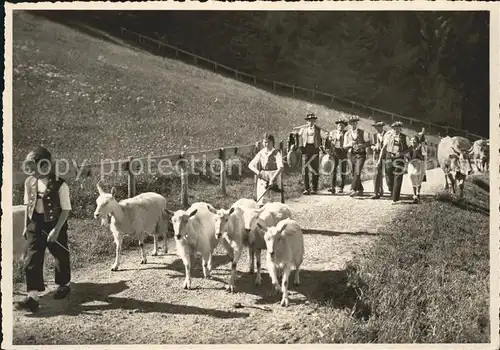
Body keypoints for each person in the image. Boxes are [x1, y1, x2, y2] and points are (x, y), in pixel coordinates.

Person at [14, 146, 72, 313]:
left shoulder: (60, 185)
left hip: (55, 223)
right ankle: (32, 296)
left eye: (35, 167)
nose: (31, 172)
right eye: (30, 168)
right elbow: (28, 205)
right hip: (35, 223)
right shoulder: (29, 182)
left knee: (59, 252)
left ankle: (64, 284)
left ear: (45, 166)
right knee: (33, 256)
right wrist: (27, 225)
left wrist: (56, 230)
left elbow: (66, 210)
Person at [293, 113, 328, 195]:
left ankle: (314, 188)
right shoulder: (303, 129)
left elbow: (324, 137)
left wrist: (327, 136)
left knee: (315, 169)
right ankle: (306, 188)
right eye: (309, 120)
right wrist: (295, 133)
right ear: (307, 121)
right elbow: (298, 136)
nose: (311, 122)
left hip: (315, 149)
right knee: (304, 169)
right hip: (305, 149)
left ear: (315, 121)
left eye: (313, 120)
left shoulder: (318, 129)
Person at [377, 121, 409, 204]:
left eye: (398, 128)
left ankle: (395, 198)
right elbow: (384, 148)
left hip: (399, 158)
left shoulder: (405, 137)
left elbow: (410, 147)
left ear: (400, 129)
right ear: (393, 129)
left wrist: (402, 153)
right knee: (388, 175)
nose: (396, 130)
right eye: (395, 128)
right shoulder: (388, 136)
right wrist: (379, 160)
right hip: (389, 156)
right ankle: (391, 189)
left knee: (398, 176)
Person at [248, 133, 284, 205]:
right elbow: (250, 165)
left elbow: (281, 167)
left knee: (275, 203)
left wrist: (272, 179)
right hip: (263, 177)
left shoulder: (276, 153)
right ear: (262, 142)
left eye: (269, 142)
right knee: (262, 202)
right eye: (265, 142)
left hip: (274, 176)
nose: (266, 144)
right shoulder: (261, 152)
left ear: (272, 142)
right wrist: (257, 172)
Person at [343, 115, 370, 197]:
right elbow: (344, 146)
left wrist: (361, 145)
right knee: (353, 172)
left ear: (356, 123)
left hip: (361, 154)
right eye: (351, 123)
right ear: (349, 124)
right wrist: (350, 144)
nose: (353, 124)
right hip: (351, 154)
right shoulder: (347, 134)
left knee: (357, 171)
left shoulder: (363, 132)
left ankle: (353, 189)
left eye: (354, 122)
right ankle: (360, 190)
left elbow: (369, 143)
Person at [324, 118, 348, 194]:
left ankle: (341, 187)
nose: (340, 126)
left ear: (344, 126)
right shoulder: (332, 133)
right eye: (339, 125)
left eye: (342, 125)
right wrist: (327, 149)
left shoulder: (346, 133)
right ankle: (332, 187)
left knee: (342, 170)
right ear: (337, 126)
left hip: (343, 152)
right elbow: (327, 142)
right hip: (334, 152)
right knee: (333, 170)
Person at [405, 136, 427, 203]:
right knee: (412, 177)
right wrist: (407, 158)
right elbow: (407, 156)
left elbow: (424, 157)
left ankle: (418, 193)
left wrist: (418, 153)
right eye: (411, 140)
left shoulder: (421, 147)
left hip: (420, 163)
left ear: (417, 141)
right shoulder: (409, 148)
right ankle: (414, 195)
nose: (413, 142)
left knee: (419, 178)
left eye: (414, 140)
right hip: (411, 164)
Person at [370, 121, 386, 199]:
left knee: (387, 174)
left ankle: (390, 190)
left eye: (379, 127)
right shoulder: (374, 136)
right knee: (376, 173)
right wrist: (374, 147)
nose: (377, 129)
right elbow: (371, 145)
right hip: (377, 155)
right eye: (376, 127)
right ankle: (376, 192)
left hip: (386, 156)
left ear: (382, 127)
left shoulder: (387, 134)